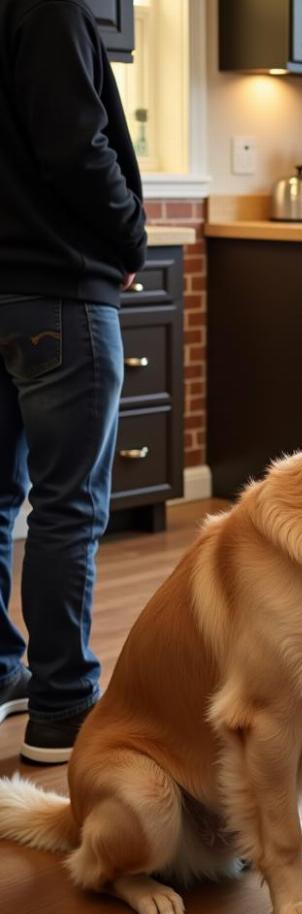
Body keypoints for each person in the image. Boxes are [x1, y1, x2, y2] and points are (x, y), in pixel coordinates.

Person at [0, 0, 146, 764]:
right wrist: (129, 234)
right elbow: (75, 146)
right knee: (68, 507)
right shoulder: (46, 6)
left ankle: (2, 675)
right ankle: (60, 708)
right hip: (57, 286)